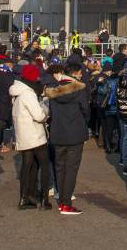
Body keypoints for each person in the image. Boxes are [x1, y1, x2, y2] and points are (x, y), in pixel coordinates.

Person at [44, 59, 90, 216]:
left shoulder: (54, 92)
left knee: (60, 167)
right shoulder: (78, 91)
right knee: (71, 169)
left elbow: (50, 112)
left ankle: (62, 199)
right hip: (75, 133)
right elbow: (86, 110)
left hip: (58, 132)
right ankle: (65, 202)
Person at [11, 63, 51, 209]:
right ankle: (45, 199)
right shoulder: (28, 94)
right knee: (44, 166)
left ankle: (25, 197)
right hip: (35, 136)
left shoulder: (17, 93)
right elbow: (39, 115)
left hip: (23, 135)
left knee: (27, 167)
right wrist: (45, 106)